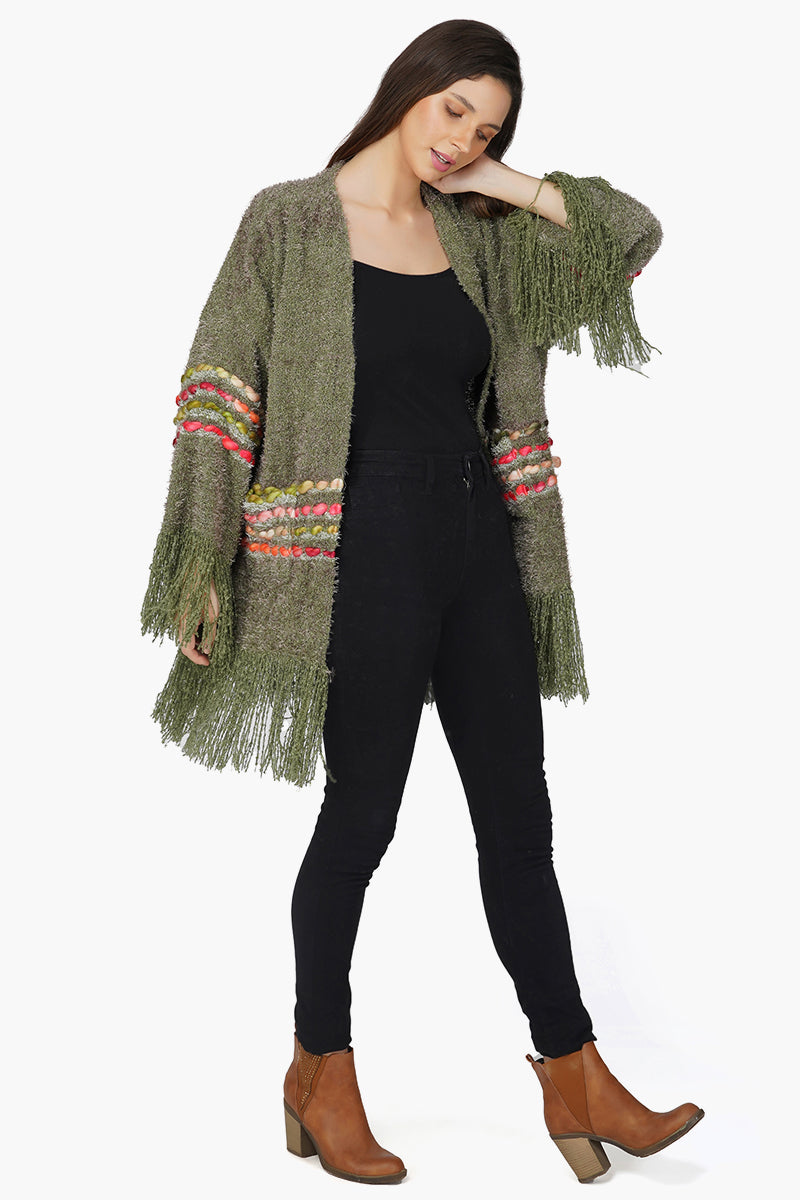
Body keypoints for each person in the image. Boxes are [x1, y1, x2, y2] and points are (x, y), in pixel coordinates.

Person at [140, 17, 704, 1187]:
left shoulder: (479, 237)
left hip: (479, 547)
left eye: (487, 129)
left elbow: (628, 237)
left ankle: (573, 1073)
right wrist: (201, 565)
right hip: (360, 552)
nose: (462, 139)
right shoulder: (286, 222)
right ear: (409, 86)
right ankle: (319, 1066)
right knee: (361, 821)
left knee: (519, 822)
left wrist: (501, 181)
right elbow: (218, 393)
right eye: (453, 110)